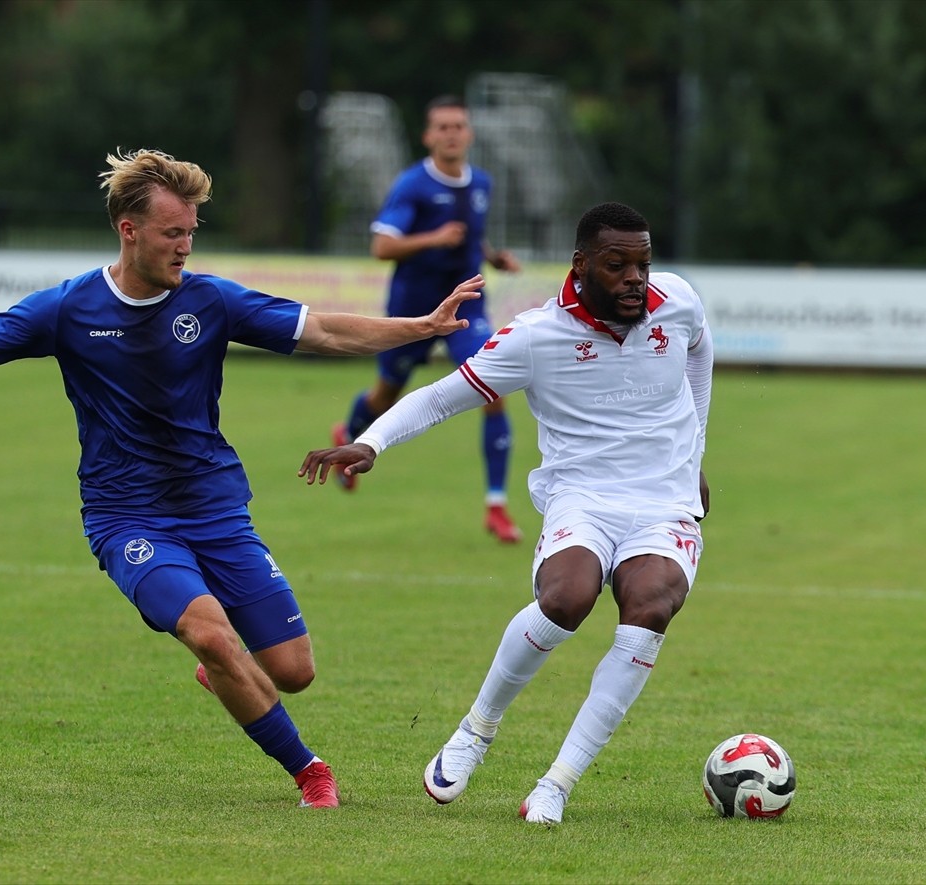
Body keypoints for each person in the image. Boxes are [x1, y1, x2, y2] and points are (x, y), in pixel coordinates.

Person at [0, 148, 484, 811]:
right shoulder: (69, 308)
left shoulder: (210, 300)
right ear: (129, 230)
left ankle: (228, 673)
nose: (185, 246)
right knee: (209, 632)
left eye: (191, 233)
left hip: (215, 507)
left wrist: (423, 327)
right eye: (172, 233)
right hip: (128, 519)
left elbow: (320, 330)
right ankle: (309, 770)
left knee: (293, 672)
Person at [300, 202, 713, 825]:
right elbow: (442, 398)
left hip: (665, 503)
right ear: (582, 265)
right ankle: (476, 728)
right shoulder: (536, 337)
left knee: (649, 606)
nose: (636, 278)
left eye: (643, 264)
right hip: (583, 497)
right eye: (618, 264)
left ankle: (557, 783)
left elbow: (699, 354)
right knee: (566, 599)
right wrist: (370, 442)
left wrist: (696, 451)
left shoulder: (677, 301)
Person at [331, 94, 524, 543]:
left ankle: (495, 505)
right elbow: (382, 247)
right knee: (385, 396)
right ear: (428, 136)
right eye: (443, 127)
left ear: (469, 133)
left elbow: (473, 236)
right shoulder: (412, 185)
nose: (452, 134)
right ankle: (349, 433)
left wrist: (493, 258)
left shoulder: (482, 184)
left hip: (465, 308)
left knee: (492, 389)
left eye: (458, 126)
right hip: (413, 312)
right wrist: (432, 238)